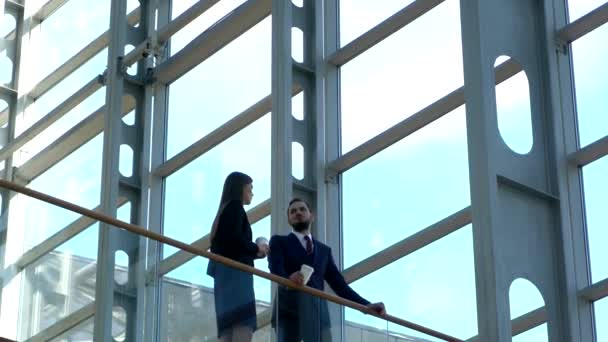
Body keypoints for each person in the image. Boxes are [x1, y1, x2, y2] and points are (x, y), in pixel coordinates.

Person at [268, 198, 386, 341]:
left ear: (312, 216)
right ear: (289, 220)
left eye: (302, 209)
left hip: (317, 315)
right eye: (293, 211)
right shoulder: (279, 242)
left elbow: (339, 285)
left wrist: (366, 305)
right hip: (288, 312)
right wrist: (288, 280)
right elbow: (275, 268)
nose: (297, 213)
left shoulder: (324, 251)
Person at [206, 172, 269, 342]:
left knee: (228, 331)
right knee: (243, 326)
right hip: (237, 278)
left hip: (224, 278)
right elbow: (235, 241)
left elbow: (229, 244)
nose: (252, 193)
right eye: (250, 189)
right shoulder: (235, 208)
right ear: (241, 188)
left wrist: (255, 251)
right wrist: (258, 248)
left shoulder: (224, 211)